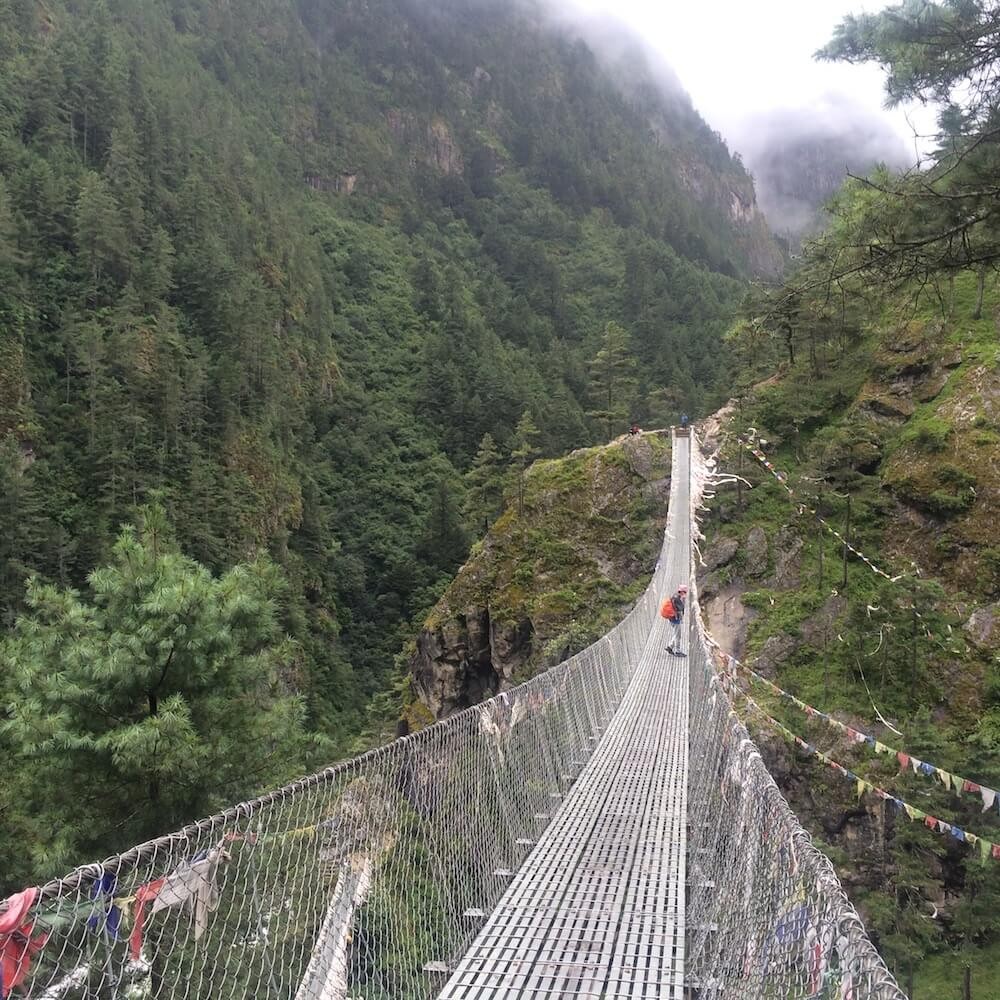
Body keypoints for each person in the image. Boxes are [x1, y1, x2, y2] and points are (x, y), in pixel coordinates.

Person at [660, 584, 687, 655]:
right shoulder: (678, 599)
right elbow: (680, 609)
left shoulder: (674, 596)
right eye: (685, 592)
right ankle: (677, 651)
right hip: (676, 619)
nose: (685, 594)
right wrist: (683, 600)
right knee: (678, 635)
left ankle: (670, 647)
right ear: (682, 591)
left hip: (671, 618)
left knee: (676, 634)